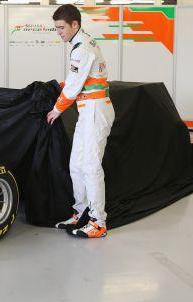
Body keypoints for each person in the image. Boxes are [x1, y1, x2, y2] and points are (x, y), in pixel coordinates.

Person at [47, 5, 115, 238]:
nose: (59, 32)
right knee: (76, 164)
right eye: (56, 28)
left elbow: (75, 86)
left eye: (61, 27)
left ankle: (98, 221)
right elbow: (74, 80)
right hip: (88, 111)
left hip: (96, 111)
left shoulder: (82, 48)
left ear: (75, 24)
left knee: (90, 166)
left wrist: (56, 109)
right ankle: (82, 213)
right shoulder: (81, 43)